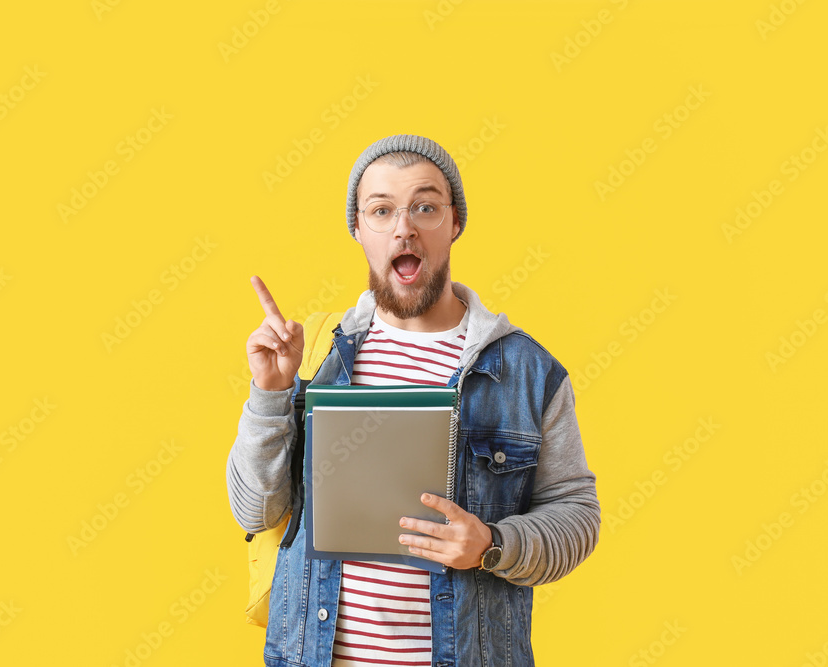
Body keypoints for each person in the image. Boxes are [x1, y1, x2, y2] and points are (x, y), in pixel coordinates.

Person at [227, 134, 600, 666]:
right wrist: (270, 394)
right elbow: (254, 509)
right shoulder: (313, 357)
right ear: (358, 229)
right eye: (382, 210)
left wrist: (492, 544)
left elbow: (577, 516)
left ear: (455, 224)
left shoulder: (525, 371)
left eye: (425, 207)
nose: (404, 227)